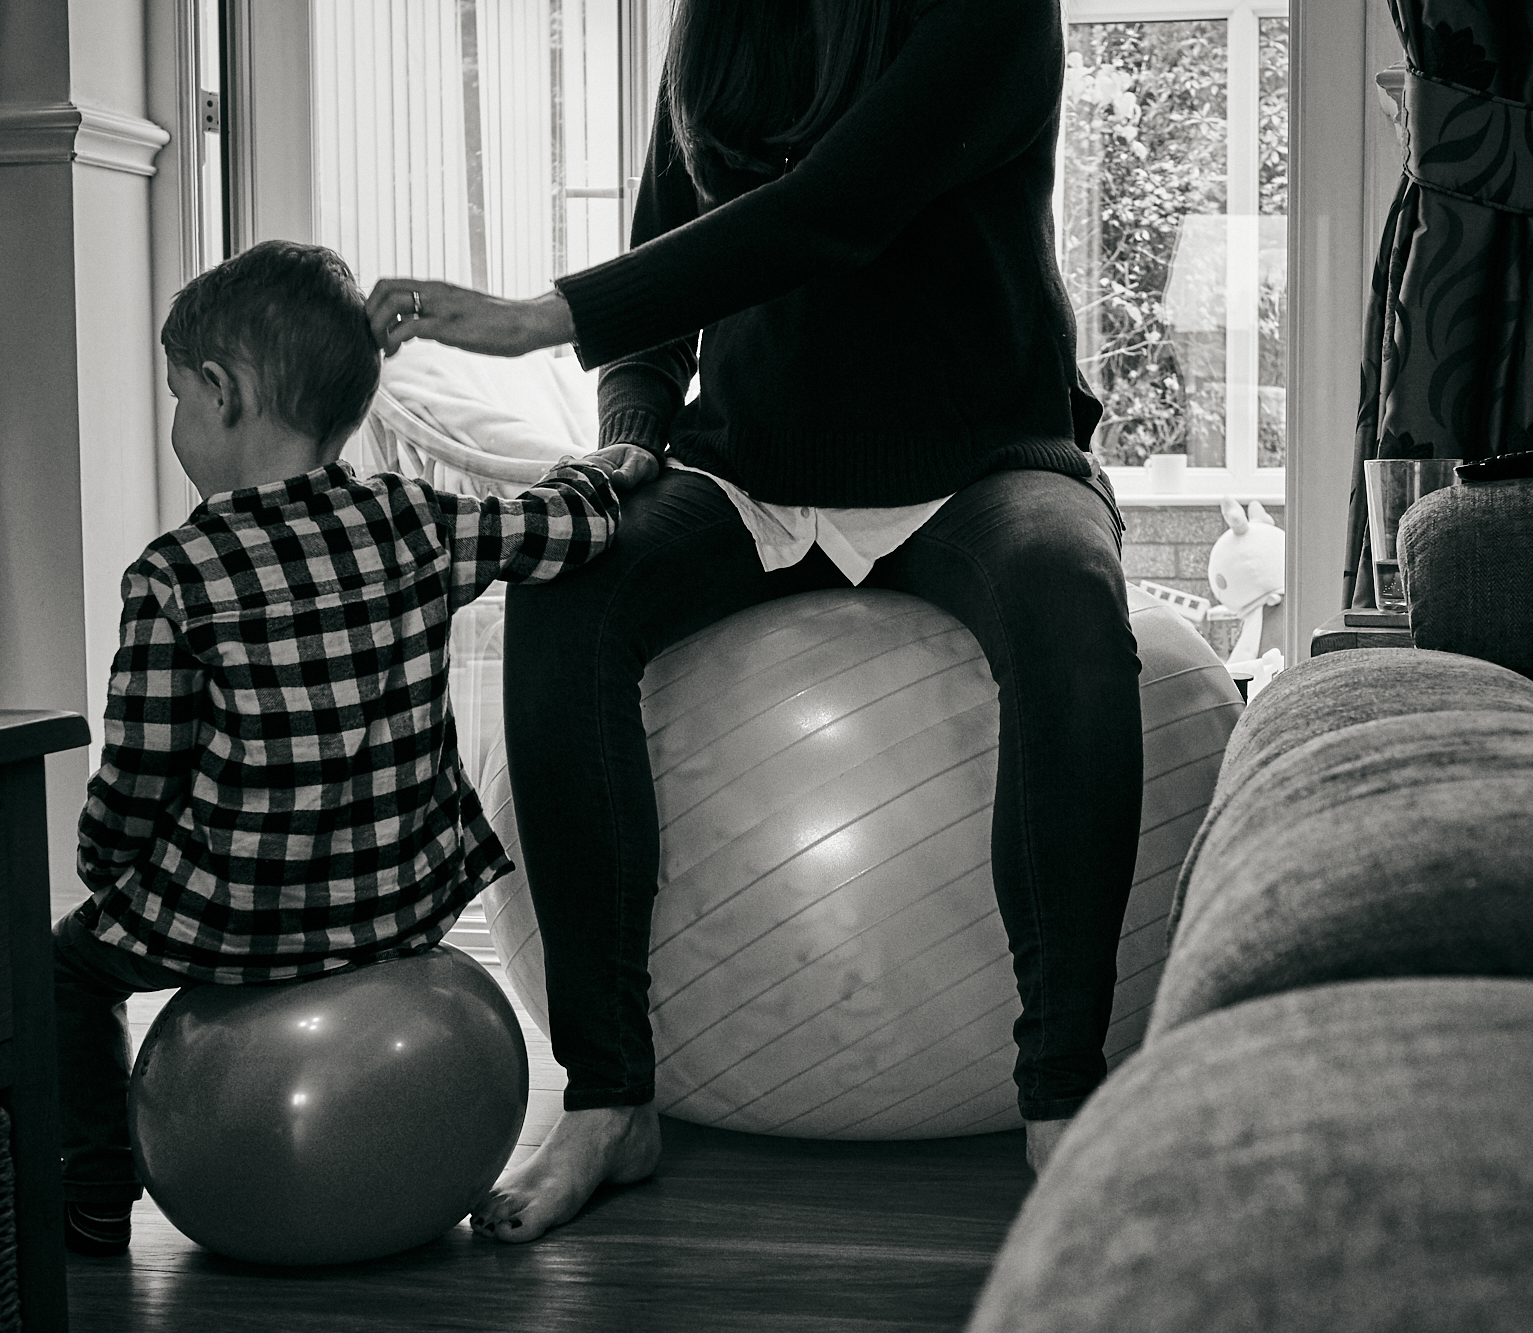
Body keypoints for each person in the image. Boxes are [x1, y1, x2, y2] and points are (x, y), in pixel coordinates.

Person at [366, 0, 1144, 1242]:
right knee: (564, 588)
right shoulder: (720, 23)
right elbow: (663, 299)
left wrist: (538, 317)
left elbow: (836, 210)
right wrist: (626, 445)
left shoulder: (992, 12)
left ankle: (1060, 1095)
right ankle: (611, 1101)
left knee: (1069, 598)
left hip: (978, 459)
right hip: (749, 470)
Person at [56, 239, 652, 1257]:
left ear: (220, 389)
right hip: (402, 901)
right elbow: (551, 530)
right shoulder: (407, 519)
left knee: (68, 968)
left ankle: (94, 1192)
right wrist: (604, 476)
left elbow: (141, 768)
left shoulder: (175, 573)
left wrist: (108, 863)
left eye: (176, 398)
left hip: (241, 913)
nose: (175, 424)